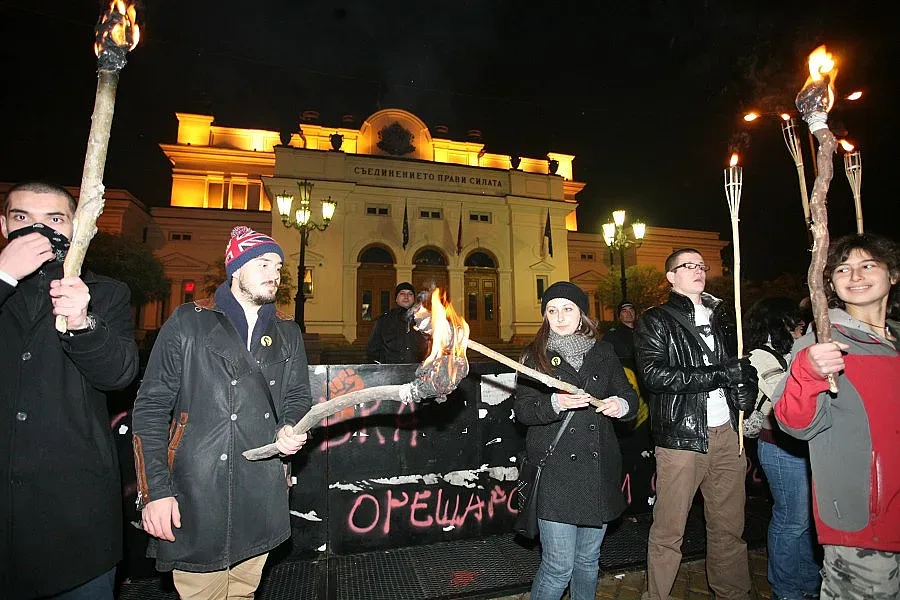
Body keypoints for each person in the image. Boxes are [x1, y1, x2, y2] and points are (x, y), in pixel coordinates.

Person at [132, 226, 312, 599]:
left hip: (260, 487)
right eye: (262, 263)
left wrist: (290, 425)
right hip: (196, 490)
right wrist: (155, 493)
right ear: (236, 267)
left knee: (245, 591)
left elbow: (297, 395)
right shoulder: (188, 321)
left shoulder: (287, 331)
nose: (274, 273)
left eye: (278, 266)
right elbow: (150, 409)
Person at [0, 181, 139, 598]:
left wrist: (83, 323)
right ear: (4, 226)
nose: (39, 231)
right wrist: (4, 276)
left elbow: (119, 374)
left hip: (74, 524)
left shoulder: (105, 293)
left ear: (75, 227)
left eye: (54, 219)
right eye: (23, 218)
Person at [774, 233, 899, 599]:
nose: (856, 275)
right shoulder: (822, 344)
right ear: (829, 284)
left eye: (867, 265)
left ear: (891, 274)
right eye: (843, 269)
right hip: (864, 524)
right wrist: (808, 372)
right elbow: (794, 424)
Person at [634, 248, 758, 600]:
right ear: (671, 276)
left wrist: (744, 391)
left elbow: (742, 365)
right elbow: (654, 375)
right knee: (669, 531)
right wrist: (720, 374)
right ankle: (657, 595)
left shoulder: (725, 315)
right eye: (687, 266)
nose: (697, 270)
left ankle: (732, 593)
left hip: (727, 437)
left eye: (701, 265)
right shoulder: (656, 319)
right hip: (682, 439)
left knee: (729, 528)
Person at [514, 281, 638, 600]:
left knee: (588, 561)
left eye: (568, 308)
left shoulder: (604, 351)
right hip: (557, 474)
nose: (560, 316)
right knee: (558, 567)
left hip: (598, 471)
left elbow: (628, 396)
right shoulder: (535, 355)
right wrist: (555, 403)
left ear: (582, 313)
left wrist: (620, 405)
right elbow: (523, 411)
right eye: (552, 310)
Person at [745, 297, 820, 600]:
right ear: (777, 322)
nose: (800, 325)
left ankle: (808, 584)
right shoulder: (760, 357)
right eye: (794, 320)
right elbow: (784, 397)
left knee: (804, 520)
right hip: (779, 446)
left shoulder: (788, 353)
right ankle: (786, 588)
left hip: (802, 446)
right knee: (791, 520)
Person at [366, 281, 429, 363]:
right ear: (396, 298)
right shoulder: (384, 320)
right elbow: (372, 350)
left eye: (410, 294)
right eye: (402, 293)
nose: (406, 296)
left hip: (418, 371)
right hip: (392, 372)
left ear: (414, 299)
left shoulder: (424, 320)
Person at [601, 300, 637, 370]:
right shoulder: (612, 335)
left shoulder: (643, 331)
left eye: (631, 310)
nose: (629, 313)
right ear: (619, 316)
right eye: (624, 311)